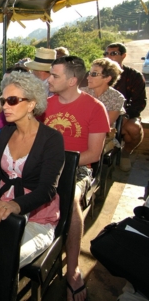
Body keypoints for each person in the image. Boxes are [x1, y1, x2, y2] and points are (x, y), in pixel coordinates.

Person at [44, 56, 110, 301]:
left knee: (69, 199)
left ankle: (72, 271)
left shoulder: (94, 108)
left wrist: (59, 164)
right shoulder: (45, 105)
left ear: (72, 81)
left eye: (55, 76)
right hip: (47, 165)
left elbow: (93, 153)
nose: (49, 80)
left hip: (78, 166)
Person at [0, 71, 65, 268]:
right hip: (2, 207)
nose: (4, 106)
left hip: (37, 216)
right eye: (3, 100)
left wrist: (15, 206)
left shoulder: (51, 139)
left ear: (31, 104)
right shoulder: (6, 132)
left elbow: (47, 190)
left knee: (4, 258)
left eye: (12, 100)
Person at [104, 42, 147, 172]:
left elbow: (140, 101)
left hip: (126, 114)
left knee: (134, 128)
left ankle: (126, 153)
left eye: (113, 53)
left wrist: (126, 115)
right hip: (101, 113)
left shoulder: (134, 76)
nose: (109, 56)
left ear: (123, 56)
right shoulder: (96, 73)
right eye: (106, 53)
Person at [81, 57, 125, 153]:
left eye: (94, 74)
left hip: (102, 136)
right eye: (89, 73)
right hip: (79, 132)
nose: (88, 77)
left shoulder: (116, 98)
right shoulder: (81, 93)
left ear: (107, 78)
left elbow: (105, 124)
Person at [0, 66, 29, 139]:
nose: (5, 84)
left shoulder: (27, 103)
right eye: (3, 81)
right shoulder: (1, 101)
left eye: (8, 81)